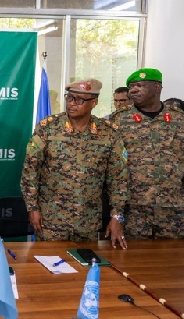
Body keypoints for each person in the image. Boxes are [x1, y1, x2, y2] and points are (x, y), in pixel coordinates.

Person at [21, 79, 128, 248]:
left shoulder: (109, 133)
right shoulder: (48, 128)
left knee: (85, 268)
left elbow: (118, 179)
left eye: (79, 100)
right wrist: (32, 208)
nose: (71, 104)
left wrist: (116, 215)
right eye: (69, 98)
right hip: (51, 220)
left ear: (94, 102)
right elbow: (30, 171)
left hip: (88, 220)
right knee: (49, 267)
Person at [110, 68, 184, 239]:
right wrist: (117, 209)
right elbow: (112, 166)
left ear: (157, 87)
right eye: (131, 87)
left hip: (173, 211)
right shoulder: (120, 120)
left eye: (139, 86)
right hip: (133, 210)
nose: (133, 91)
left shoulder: (179, 120)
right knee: (133, 261)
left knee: (173, 260)